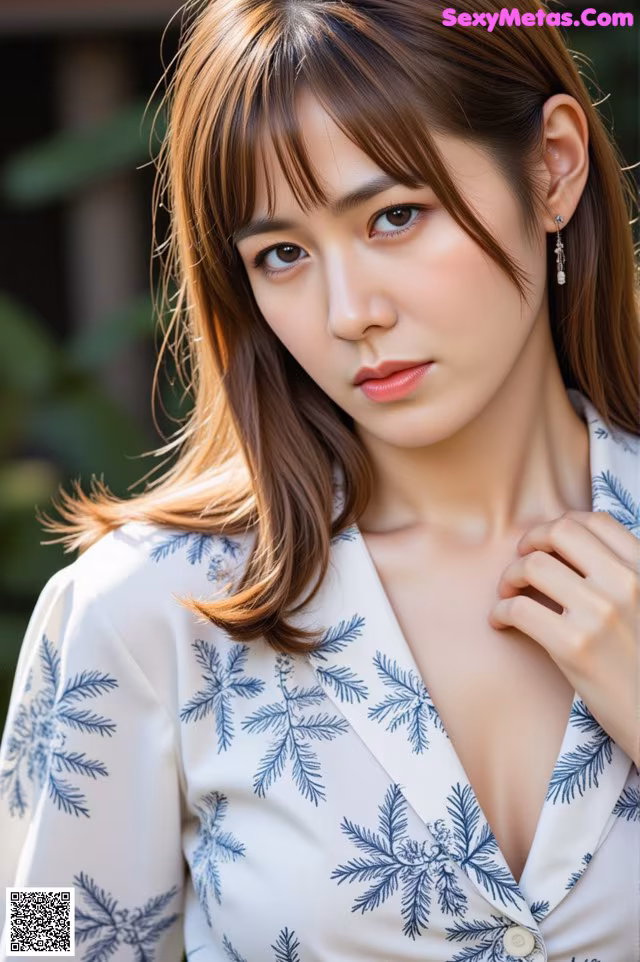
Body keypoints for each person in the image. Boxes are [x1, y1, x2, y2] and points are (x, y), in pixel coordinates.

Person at [1, 0, 638, 959]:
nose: (348, 313)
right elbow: (40, 936)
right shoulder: (143, 613)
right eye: (283, 254)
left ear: (552, 166)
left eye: (395, 216)